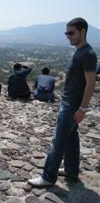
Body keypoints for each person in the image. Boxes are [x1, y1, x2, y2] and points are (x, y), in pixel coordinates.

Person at [28, 18, 97, 187]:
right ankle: (71, 170)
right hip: (68, 102)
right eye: (66, 33)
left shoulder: (88, 54)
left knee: (58, 140)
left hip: (72, 105)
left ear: (83, 32)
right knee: (71, 138)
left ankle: (48, 176)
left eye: (71, 33)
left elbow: (91, 83)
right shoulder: (79, 51)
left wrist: (82, 108)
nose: (68, 36)